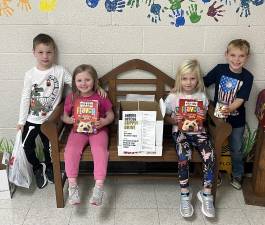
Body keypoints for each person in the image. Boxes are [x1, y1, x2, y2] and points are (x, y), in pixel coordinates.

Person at [17, 33, 72, 189]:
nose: (45, 56)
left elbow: (77, 83)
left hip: (50, 121)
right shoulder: (30, 74)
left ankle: (49, 168)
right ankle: (37, 167)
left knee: (49, 148)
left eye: (48, 52)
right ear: (34, 52)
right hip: (32, 119)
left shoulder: (60, 71)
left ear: (54, 52)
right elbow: (25, 98)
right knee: (25, 146)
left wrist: (97, 86)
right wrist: (21, 121)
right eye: (41, 52)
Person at [165, 59, 215, 218]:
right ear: (179, 78)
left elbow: (205, 115)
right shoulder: (173, 96)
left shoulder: (201, 95)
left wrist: (203, 116)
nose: (188, 82)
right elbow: (164, 116)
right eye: (184, 78)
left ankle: (206, 194)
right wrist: (174, 119)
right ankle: (185, 194)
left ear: (198, 79)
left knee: (210, 155)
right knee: (183, 155)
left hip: (199, 133)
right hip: (180, 133)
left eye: (192, 78)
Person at [204, 39, 253, 190]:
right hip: (217, 119)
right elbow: (203, 82)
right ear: (226, 55)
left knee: (236, 149)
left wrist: (230, 109)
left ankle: (238, 173)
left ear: (247, 57)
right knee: (213, 146)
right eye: (233, 55)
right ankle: (214, 173)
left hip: (237, 120)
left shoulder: (247, 77)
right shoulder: (220, 69)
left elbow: (241, 99)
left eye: (241, 56)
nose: (236, 59)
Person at [62, 64, 114, 206]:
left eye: (87, 80)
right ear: (74, 82)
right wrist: (69, 120)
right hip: (78, 130)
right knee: (70, 150)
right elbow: (64, 116)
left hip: (98, 130)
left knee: (100, 151)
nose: (83, 83)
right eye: (79, 80)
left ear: (95, 81)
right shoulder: (72, 97)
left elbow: (111, 115)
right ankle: (72, 186)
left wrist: (104, 122)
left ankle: (98, 187)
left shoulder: (101, 96)